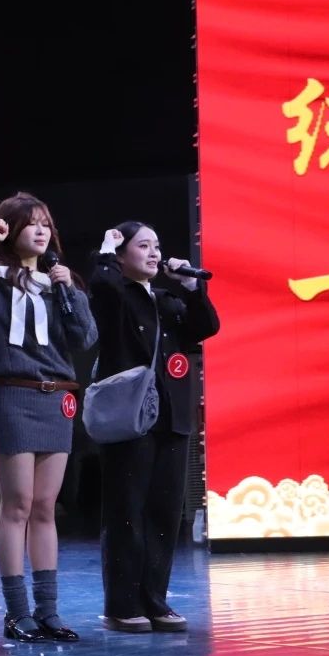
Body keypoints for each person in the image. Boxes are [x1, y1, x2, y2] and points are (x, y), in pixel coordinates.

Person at [0, 193, 98, 643]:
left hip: (56, 399)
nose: (40, 231)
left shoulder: (59, 282)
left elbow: (85, 337)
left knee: (44, 507)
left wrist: (70, 290)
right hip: (12, 396)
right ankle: (17, 613)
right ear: (11, 229)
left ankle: (48, 611)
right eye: (30, 223)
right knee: (17, 503)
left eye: (45, 223)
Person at [90, 222, 219, 633]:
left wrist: (192, 288)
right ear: (121, 255)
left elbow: (206, 327)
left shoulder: (165, 300)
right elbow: (103, 285)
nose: (154, 253)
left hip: (171, 415)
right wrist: (106, 250)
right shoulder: (115, 294)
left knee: (164, 512)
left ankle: (155, 600)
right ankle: (122, 605)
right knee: (127, 511)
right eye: (143, 245)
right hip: (130, 418)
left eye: (157, 246)